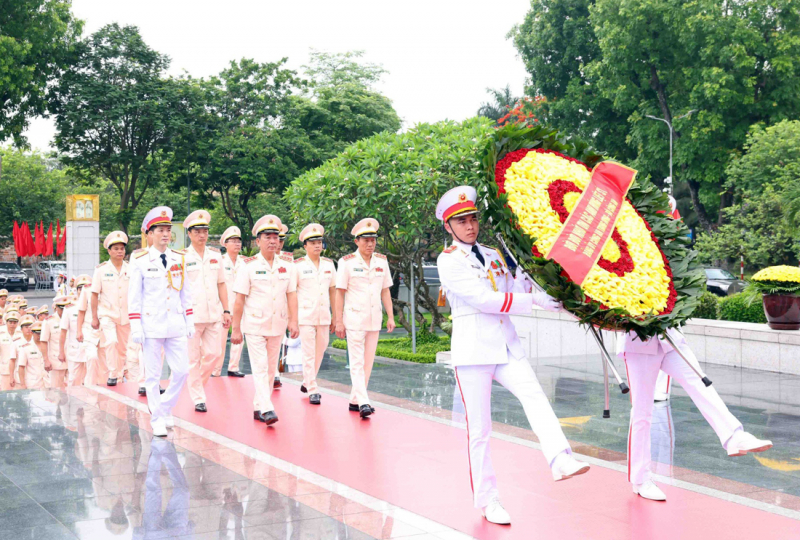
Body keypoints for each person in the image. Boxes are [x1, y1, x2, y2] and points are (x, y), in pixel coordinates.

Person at [435, 186, 590, 525]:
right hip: (473, 350)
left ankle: (560, 458)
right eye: (461, 221)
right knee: (480, 430)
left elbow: (514, 290)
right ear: (448, 226)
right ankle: (488, 500)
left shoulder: (493, 253)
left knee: (535, 396)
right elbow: (484, 300)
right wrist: (531, 301)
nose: (470, 226)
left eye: (473, 219)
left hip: (506, 344)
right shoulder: (447, 261)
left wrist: (542, 290)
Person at [619, 329, 773, 501]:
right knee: (642, 412)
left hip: (670, 339)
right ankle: (640, 480)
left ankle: (734, 436)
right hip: (638, 344)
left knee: (700, 384)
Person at [128, 206, 193, 438]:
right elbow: (134, 296)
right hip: (151, 325)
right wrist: (135, 325)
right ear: (149, 233)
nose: (165, 234)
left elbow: (185, 292)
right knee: (153, 376)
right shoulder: (139, 260)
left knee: (183, 371)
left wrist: (190, 319)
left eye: (168, 230)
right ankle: (157, 418)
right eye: (160, 230)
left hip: (175, 323)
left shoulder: (179, 258)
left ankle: (164, 407)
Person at [231, 215, 299, 426]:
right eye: (267, 237)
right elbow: (239, 300)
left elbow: (292, 295)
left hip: (277, 324)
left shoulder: (287, 265)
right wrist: (235, 329)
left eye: (275, 237)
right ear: (257, 241)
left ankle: (259, 406)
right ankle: (268, 407)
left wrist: (294, 321)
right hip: (254, 325)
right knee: (260, 367)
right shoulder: (248, 266)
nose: (272, 241)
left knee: (271, 369)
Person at [334, 218, 395, 418]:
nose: (370, 244)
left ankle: (355, 400)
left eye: (373, 240)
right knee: (357, 362)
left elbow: (385, 290)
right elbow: (339, 293)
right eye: (366, 240)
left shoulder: (382, 261)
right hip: (354, 319)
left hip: (374, 318)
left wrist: (391, 316)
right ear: (357, 241)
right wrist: (339, 321)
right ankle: (364, 401)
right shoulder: (346, 262)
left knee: (368, 362)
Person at [182, 210, 232, 413]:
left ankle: (196, 387)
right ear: (190, 234)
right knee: (193, 358)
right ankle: (198, 397)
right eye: (198, 231)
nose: (202, 235)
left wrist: (226, 310)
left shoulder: (215, 256)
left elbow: (222, 284)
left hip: (214, 314)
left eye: (205, 231)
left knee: (214, 354)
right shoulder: (183, 257)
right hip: (192, 316)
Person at [292, 223, 336, 405]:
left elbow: (333, 290)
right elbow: (292, 293)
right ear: (305, 246)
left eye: (319, 242)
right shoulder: (298, 266)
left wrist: (336, 316)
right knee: (308, 351)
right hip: (305, 315)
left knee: (322, 347)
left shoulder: (329, 264)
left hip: (324, 314)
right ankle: (313, 388)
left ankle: (307, 380)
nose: (317, 245)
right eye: (313, 243)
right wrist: (292, 318)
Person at [90, 231, 132, 387]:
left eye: (122, 248)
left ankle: (119, 376)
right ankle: (113, 373)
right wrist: (94, 317)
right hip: (107, 314)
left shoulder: (131, 269)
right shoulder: (101, 270)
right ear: (109, 251)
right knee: (111, 341)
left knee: (122, 350)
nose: (120, 251)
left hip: (126, 315)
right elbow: (94, 295)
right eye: (116, 248)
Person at [216, 226, 245, 378]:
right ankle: (215, 370)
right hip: (223, 307)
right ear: (225, 244)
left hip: (240, 307)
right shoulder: (220, 261)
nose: (237, 244)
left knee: (238, 337)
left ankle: (233, 367)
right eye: (233, 241)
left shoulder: (245, 262)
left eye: (238, 241)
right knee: (219, 341)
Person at [273, 223, 293, 389]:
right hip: (267, 309)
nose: (278, 243)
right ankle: (273, 373)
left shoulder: (289, 260)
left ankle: (275, 371)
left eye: (281, 240)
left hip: (284, 308)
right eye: (276, 239)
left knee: (279, 340)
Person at [76, 274, 105, 385]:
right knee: (92, 358)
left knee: (104, 366)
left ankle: (103, 394)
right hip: (89, 330)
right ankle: (90, 387)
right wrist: (79, 331)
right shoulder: (87, 289)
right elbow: (81, 311)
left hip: (105, 331)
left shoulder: (110, 287)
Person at [60, 288, 89, 387]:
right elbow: (63, 332)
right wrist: (61, 352)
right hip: (75, 350)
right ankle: (73, 401)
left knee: (91, 380)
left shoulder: (94, 306)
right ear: (77, 290)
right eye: (80, 288)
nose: (82, 291)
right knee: (73, 380)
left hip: (90, 349)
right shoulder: (69, 309)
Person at [41, 295, 69, 389]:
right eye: (61, 308)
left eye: (66, 308)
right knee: (56, 391)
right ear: (56, 307)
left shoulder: (72, 318)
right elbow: (43, 342)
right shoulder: (49, 321)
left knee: (74, 390)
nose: (64, 311)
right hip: (56, 361)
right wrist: (46, 360)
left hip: (72, 359)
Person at [16, 316, 46, 390]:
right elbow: (21, 367)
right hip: (33, 383)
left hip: (47, 383)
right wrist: (22, 384)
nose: (39, 335)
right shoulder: (26, 348)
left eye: (41, 333)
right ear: (32, 332)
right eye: (37, 333)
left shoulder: (48, 346)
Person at [0, 310, 20, 390]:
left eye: (14, 323)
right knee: (4, 394)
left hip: (18, 370)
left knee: (18, 395)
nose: (12, 325)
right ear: (6, 322)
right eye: (10, 322)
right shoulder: (1, 334)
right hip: (5, 369)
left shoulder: (21, 334)